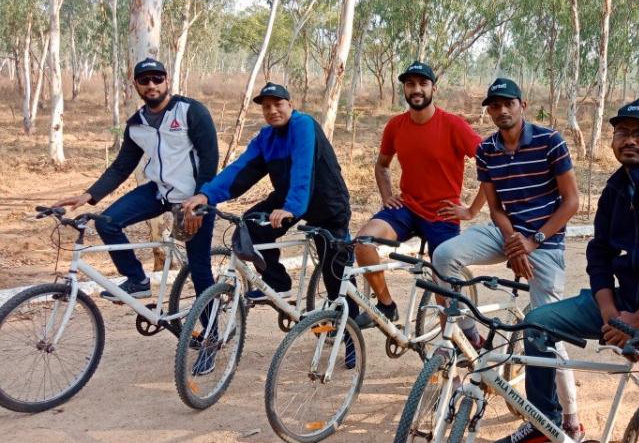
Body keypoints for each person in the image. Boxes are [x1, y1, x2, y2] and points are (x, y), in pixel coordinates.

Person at [500, 98, 639, 443]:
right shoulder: (617, 187)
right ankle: (545, 420)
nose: (629, 140)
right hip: (625, 304)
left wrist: (638, 322)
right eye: (622, 132)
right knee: (536, 324)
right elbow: (599, 253)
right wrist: (609, 313)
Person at [431, 78, 584, 443]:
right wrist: (513, 240)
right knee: (443, 256)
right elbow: (496, 206)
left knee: (545, 327)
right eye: (494, 105)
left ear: (522, 104)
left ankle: (571, 420)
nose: (501, 111)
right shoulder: (487, 150)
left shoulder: (550, 142)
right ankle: (471, 333)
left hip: (546, 240)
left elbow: (572, 202)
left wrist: (533, 241)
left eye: (508, 103)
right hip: (508, 234)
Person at [53, 57, 218, 303]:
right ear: (136, 85)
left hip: (193, 197)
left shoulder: (191, 111)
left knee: (199, 269)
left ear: (166, 81)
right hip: (158, 192)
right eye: (144, 80)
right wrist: (89, 194)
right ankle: (137, 280)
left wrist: (200, 201)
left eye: (157, 79)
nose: (151, 85)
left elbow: (210, 159)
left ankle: (211, 335)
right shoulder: (136, 124)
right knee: (107, 222)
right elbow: (121, 167)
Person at [183, 82, 352, 314]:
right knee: (250, 225)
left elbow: (303, 169)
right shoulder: (266, 138)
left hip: (327, 203)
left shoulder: (303, 125)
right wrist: (206, 194)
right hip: (289, 198)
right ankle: (278, 283)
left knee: (335, 271)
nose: (272, 110)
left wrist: (291, 208)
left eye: (278, 104)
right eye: (266, 107)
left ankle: (350, 328)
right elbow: (239, 171)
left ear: (290, 105)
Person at [352, 61, 483, 327]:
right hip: (407, 208)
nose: (416, 89)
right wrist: (387, 195)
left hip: (442, 215)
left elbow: (491, 163)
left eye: (423, 83)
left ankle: (458, 348)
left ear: (433, 88)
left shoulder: (453, 125)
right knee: (363, 243)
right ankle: (386, 306)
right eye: (410, 84)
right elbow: (382, 165)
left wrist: (471, 209)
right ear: (404, 88)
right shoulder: (396, 126)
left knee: (443, 294)